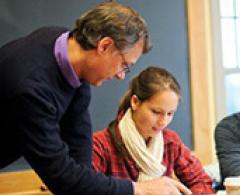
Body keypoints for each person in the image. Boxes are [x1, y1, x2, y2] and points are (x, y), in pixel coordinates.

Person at [0, 2, 190, 195]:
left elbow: (78, 138)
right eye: (124, 64)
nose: (121, 76)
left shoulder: (66, 51)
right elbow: (62, 176)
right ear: (104, 46)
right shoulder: (31, 89)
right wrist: (138, 189)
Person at [92, 66, 215, 194]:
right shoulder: (100, 145)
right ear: (135, 102)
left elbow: (201, 181)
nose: (163, 122)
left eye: (170, 114)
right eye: (156, 112)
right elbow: (86, 190)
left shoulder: (170, 142)